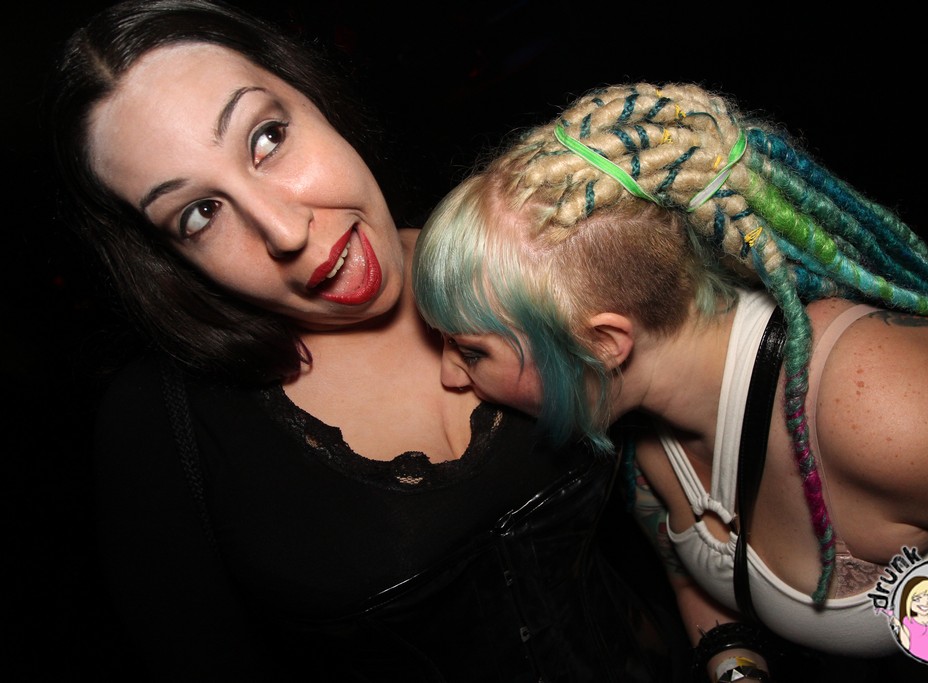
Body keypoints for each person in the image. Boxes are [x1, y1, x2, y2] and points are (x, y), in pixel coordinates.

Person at [46, 4, 688, 680]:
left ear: (312, 96)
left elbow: (669, 469)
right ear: (167, 259)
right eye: (200, 213)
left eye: (266, 138)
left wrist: (723, 644)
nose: (284, 230)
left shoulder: (528, 246)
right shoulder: (157, 425)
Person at [411, 82, 928, 681]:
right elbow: (704, 579)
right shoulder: (646, 436)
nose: (448, 372)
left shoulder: (873, 404)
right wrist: (734, 665)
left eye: (471, 349)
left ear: (602, 344)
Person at [892, 577, 928, 663]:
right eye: (917, 599)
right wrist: (898, 626)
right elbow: (906, 645)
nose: (925, 603)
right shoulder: (907, 621)